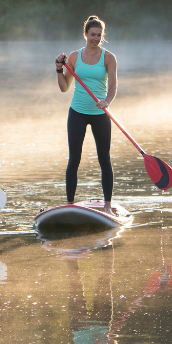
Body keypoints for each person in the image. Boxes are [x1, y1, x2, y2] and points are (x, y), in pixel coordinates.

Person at [55, 16, 117, 214]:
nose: (95, 38)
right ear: (85, 34)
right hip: (77, 113)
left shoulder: (109, 58)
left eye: (99, 35)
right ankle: (70, 205)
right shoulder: (74, 57)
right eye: (92, 34)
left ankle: (107, 206)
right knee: (74, 159)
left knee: (104, 159)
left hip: (100, 114)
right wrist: (58, 69)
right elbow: (64, 88)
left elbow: (113, 85)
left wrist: (107, 101)